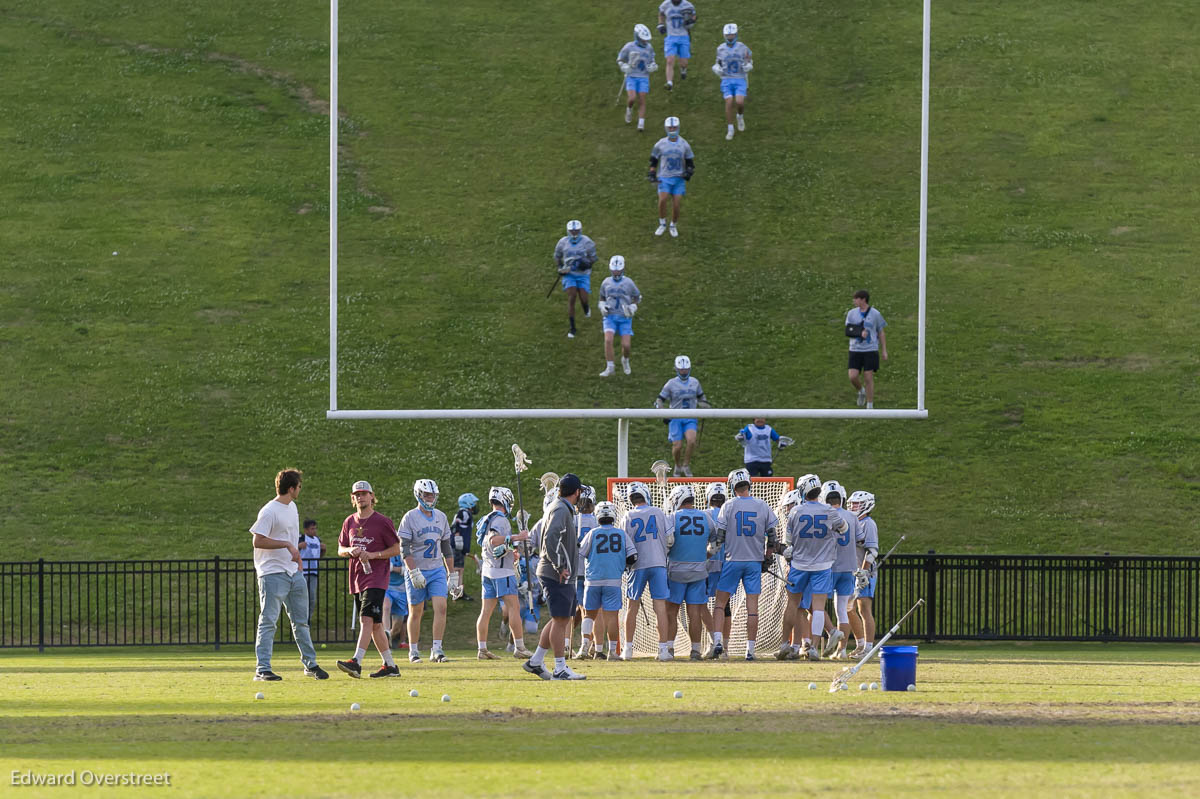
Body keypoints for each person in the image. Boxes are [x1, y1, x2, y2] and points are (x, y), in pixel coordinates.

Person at [249, 469, 328, 681]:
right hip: (272, 573)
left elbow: (291, 538)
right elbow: (258, 540)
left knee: (301, 621)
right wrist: (285, 545)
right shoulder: (269, 511)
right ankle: (262, 668)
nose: (300, 490)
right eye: (299, 486)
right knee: (268, 621)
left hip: (294, 573)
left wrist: (298, 560)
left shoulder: (293, 507)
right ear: (291, 488)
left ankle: (310, 664)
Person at [334, 480, 402, 678]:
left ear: (372, 496)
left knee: (366, 619)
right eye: (357, 494)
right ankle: (390, 666)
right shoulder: (349, 522)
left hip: (376, 578)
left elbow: (397, 548)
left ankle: (356, 662)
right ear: (352, 498)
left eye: (364, 493)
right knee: (376, 625)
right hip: (357, 578)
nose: (360, 497)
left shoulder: (382, 521)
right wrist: (350, 550)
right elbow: (340, 549)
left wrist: (373, 555)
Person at [710, 468, 780, 661]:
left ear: (732, 486)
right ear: (749, 483)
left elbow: (720, 539)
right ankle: (750, 650)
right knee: (752, 608)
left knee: (720, 603)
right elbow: (773, 537)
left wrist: (708, 554)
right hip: (753, 562)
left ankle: (717, 642)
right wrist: (767, 555)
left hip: (733, 560)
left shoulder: (729, 505)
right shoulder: (762, 505)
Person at [522, 473, 587, 680]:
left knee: (561, 617)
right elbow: (551, 538)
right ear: (576, 492)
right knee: (561, 620)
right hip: (556, 572)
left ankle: (536, 661)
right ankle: (560, 667)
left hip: (556, 571)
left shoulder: (560, 508)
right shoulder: (560, 509)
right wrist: (560, 566)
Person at [781, 474, 847, 661]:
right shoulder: (829, 511)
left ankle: (785, 644)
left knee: (793, 604)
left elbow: (788, 542)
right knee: (818, 607)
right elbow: (843, 529)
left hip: (799, 564)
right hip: (823, 565)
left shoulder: (795, 512)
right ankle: (814, 648)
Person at [399, 478, 454, 663]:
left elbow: (446, 548)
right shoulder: (410, 517)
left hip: (436, 568)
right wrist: (413, 571)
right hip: (417, 568)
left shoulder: (441, 516)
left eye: (432, 495)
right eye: (427, 494)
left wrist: (452, 574)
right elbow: (404, 547)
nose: (430, 498)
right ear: (419, 495)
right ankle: (413, 650)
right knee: (416, 611)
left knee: (442, 607)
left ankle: (437, 649)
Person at [475, 486, 533, 660]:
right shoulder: (500, 520)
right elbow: (494, 541)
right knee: (514, 608)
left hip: (488, 570)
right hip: (501, 572)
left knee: (486, 611)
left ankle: (482, 649)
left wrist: (509, 550)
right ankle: (520, 647)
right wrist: (517, 537)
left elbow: (493, 546)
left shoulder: (488, 518)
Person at [620, 481, 672, 661]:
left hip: (637, 565)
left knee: (631, 607)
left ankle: (628, 649)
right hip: (658, 564)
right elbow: (670, 537)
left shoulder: (628, 515)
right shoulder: (658, 511)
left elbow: (623, 543)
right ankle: (663, 650)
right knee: (660, 608)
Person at [664, 485, 717, 660]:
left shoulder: (672, 518)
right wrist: (706, 555)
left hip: (676, 572)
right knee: (695, 612)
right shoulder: (706, 517)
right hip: (699, 571)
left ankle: (669, 649)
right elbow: (716, 543)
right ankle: (695, 650)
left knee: (671, 612)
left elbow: (668, 542)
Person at [579, 500, 636, 661]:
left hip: (593, 580)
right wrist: (623, 567)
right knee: (612, 616)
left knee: (589, 615)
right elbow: (633, 556)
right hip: (613, 581)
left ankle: (585, 647)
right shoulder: (621, 534)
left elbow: (581, 552)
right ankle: (612, 651)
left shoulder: (593, 533)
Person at [820, 481, 858, 660]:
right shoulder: (852, 516)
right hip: (849, 567)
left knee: (817, 606)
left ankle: (812, 644)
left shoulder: (825, 515)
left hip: (829, 566)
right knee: (842, 610)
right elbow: (860, 540)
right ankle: (841, 650)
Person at [655, 355, 710, 477]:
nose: (684, 372)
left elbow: (701, 398)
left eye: (686, 369)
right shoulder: (671, 383)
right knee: (677, 446)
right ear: (676, 369)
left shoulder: (695, 382)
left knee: (691, 441)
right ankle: (677, 465)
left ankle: (686, 464)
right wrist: (663, 412)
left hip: (691, 416)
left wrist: (705, 405)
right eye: (681, 370)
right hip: (675, 417)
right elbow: (659, 400)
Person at [648, 116, 695, 238]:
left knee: (676, 204)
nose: (672, 130)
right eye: (670, 127)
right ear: (666, 128)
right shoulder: (660, 144)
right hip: (664, 177)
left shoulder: (684, 144)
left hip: (678, 178)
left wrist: (688, 172)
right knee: (662, 200)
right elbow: (654, 160)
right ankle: (662, 223)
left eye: (674, 127)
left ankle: (673, 225)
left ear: (678, 127)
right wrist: (652, 173)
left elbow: (690, 162)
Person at [847, 489, 880, 659]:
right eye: (852, 503)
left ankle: (868, 647)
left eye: (857, 504)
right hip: (852, 571)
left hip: (864, 573)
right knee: (849, 608)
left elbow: (872, 550)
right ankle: (860, 644)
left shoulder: (868, 523)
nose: (853, 506)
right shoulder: (851, 522)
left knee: (864, 609)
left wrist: (864, 570)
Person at [554, 220, 599, 339]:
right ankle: (572, 327)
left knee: (583, 297)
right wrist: (560, 268)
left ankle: (586, 307)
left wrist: (585, 264)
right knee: (572, 296)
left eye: (576, 231)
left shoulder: (587, 242)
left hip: (583, 274)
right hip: (569, 273)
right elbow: (557, 256)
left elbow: (593, 258)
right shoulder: (562, 242)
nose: (574, 233)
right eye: (572, 231)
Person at [597, 255, 642, 377]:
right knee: (608, 340)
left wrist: (633, 306)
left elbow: (637, 296)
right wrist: (602, 305)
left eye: (618, 271)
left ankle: (625, 360)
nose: (616, 273)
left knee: (626, 345)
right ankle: (610, 366)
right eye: (614, 271)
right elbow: (602, 296)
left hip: (624, 317)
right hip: (610, 315)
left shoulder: (628, 282)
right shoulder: (606, 282)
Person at [846, 290, 889, 409]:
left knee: (868, 377)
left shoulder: (875, 314)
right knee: (852, 376)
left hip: (870, 350)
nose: (854, 301)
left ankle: (870, 405)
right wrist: (859, 333)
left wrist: (884, 350)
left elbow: (881, 332)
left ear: (863, 299)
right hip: (855, 349)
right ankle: (861, 391)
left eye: (856, 298)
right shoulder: (851, 313)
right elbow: (848, 330)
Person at [702, 482, 730, 658]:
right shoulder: (729, 515)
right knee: (725, 607)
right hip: (727, 565)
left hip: (706, 563)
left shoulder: (703, 515)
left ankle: (714, 641)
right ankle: (724, 647)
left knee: (700, 603)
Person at [711, 23, 753, 141]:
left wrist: (749, 65)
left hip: (740, 78)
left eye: (732, 35)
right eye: (728, 35)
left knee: (739, 102)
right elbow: (718, 62)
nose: (730, 37)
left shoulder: (742, 47)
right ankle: (730, 128)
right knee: (729, 102)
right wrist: (716, 68)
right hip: (726, 78)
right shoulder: (720, 49)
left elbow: (749, 57)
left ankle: (740, 116)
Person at [571, 485, 599, 658]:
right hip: (594, 572)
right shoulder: (597, 522)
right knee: (593, 611)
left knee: (578, 609)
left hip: (576, 570)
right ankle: (596, 646)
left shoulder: (571, 520)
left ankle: (573, 645)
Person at [617, 25, 658, 133]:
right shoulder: (629, 47)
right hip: (632, 76)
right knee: (632, 98)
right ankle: (629, 109)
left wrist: (653, 65)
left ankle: (641, 122)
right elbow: (620, 58)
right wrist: (623, 66)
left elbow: (652, 59)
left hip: (644, 77)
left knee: (642, 98)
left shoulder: (649, 48)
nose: (645, 41)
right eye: (643, 39)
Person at [657, 0, 697, 90]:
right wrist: (660, 24)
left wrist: (691, 20)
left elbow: (694, 15)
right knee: (670, 60)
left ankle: (683, 69)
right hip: (671, 37)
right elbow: (661, 13)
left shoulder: (687, 5)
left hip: (683, 36)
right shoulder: (665, 4)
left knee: (683, 62)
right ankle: (669, 83)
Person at [449, 492, 479, 601]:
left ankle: (459, 592)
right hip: (457, 545)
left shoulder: (466, 513)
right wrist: (457, 539)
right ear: (468, 503)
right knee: (456, 569)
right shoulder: (463, 512)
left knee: (460, 569)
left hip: (460, 546)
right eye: (473, 503)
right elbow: (455, 525)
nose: (475, 506)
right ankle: (453, 590)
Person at [299, 519, 326, 623]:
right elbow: (292, 552)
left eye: (315, 528)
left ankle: (308, 620)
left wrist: (323, 550)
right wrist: (298, 546)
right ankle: (301, 619)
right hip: (303, 572)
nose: (314, 531)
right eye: (312, 529)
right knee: (302, 597)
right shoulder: (301, 538)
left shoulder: (317, 540)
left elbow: (318, 556)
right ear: (306, 530)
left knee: (312, 598)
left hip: (314, 572)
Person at [384, 550, 409, 650]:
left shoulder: (405, 551)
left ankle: (390, 636)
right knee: (385, 607)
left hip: (401, 590)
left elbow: (406, 570)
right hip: (387, 587)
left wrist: (392, 568)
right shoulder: (385, 551)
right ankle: (385, 634)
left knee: (397, 627)